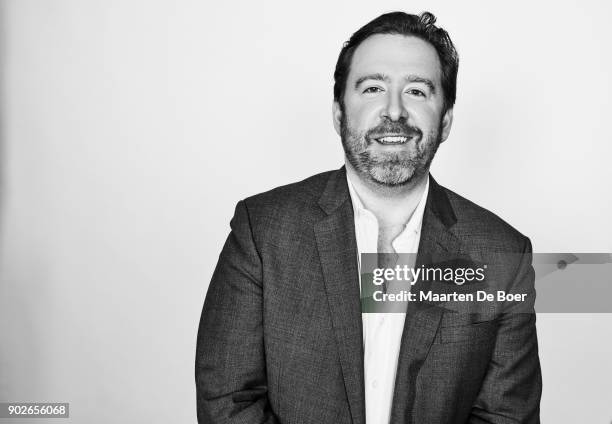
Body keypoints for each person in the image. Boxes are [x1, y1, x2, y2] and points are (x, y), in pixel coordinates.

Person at [195, 11, 542, 424]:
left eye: (416, 91)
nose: (393, 111)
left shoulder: (504, 257)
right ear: (340, 115)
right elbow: (227, 400)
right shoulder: (262, 230)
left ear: (446, 120)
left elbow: (505, 416)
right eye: (373, 87)